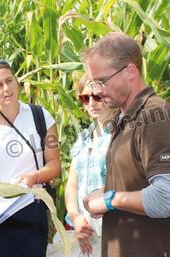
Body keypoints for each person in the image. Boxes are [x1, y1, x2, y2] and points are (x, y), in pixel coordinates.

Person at [82, 32, 170, 257]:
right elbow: (137, 182)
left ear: (130, 71)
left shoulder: (155, 115)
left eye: (102, 81)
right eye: (93, 82)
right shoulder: (124, 118)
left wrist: (110, 200)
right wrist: (103, 193)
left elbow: (165, 197)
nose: (97, 91)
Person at [0, 59, 61, 257]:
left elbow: (54, 164)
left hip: (30, 213)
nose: (6, 89)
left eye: (9, 81)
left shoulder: (41, 116)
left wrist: (34, 177)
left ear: (16, 81)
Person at [64, 75, 113, 256]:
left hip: (113, 229)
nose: (91, 103)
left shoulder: (123, 134)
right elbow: (72, 185)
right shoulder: (83, 137)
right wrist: (76, 218)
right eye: (85, 98)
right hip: (85, 231)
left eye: (97, 97)